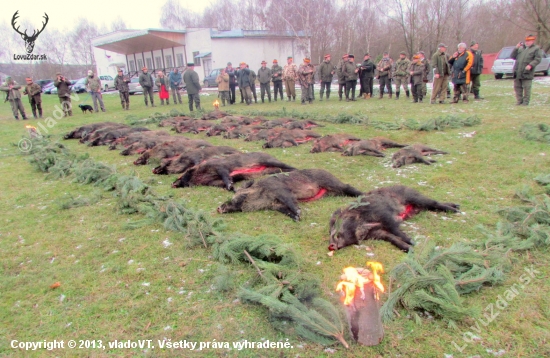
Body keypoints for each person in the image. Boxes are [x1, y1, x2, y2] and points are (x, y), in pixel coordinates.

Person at [511, 35, 541, 106]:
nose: (527, 42)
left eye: (528, 41)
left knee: (526, 88)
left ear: (532, 41)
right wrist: (516, 48)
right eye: (526, 41)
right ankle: (519, 101)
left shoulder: (536, 49)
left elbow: (538, 59)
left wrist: (531, 65)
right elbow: (512, 56)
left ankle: (525, 102)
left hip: (527, 72)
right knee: (517, 87)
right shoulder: (521, 49)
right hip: (518, 71)